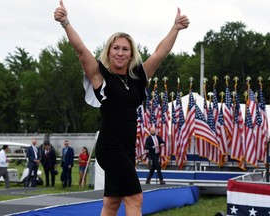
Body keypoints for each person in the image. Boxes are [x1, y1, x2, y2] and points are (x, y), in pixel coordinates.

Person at [54, 1, 189, 215]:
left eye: (125, 49)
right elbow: (81, 51)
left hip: (127, 149)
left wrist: (175, 28)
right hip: (110, 148)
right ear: (108, 52)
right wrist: (65, 22)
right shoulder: (101, 76)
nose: (120, 52)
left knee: (112, 203)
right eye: (115, 48)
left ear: (131, 53)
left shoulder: (137, 78)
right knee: (135, 198)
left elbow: (159, 54)